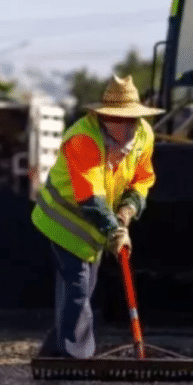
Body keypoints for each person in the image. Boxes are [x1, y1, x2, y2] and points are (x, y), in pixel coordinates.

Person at [32, 75, 164, 359]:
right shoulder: (83, 140)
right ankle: (76, 358)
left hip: (96, 227)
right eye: (120, 119)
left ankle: (53, 353)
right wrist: (114, 230)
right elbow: (90, 198)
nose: (128, 126)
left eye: (133, 119)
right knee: (77, 286)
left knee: (81, 291)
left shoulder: (144, 136)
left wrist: (127, 211)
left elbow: (142, 179)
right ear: (104, 118)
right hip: (63, 220)